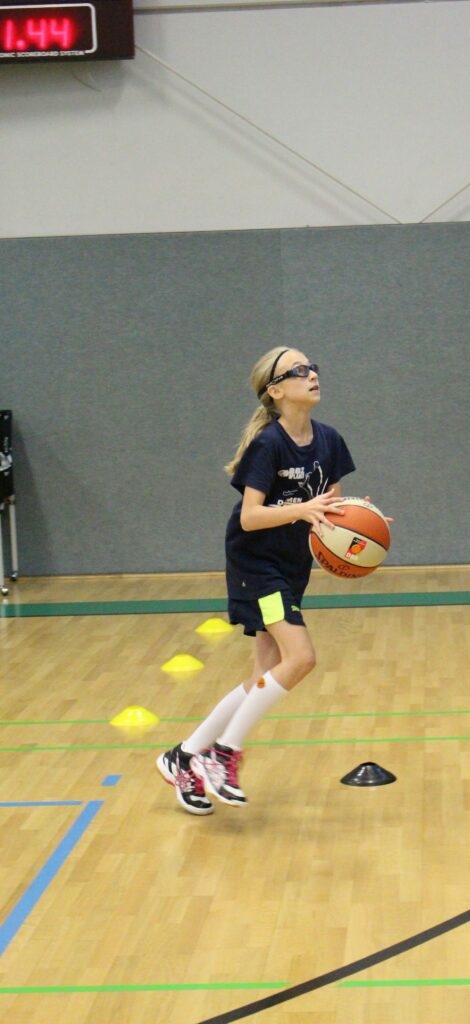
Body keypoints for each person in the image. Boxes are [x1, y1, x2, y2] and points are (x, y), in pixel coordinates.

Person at [157, 346, 355, 814]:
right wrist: (302, 509)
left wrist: (359, 528)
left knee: (263, 676)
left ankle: (184, 755)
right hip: (256, 565)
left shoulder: (330, 440)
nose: (312, 374)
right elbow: (250, 516)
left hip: (292, 564)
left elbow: (330, 510)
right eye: (298, 370)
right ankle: (224, 753)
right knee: (301, 657)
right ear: (276, 390)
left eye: (312, 367)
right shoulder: (268, 444)